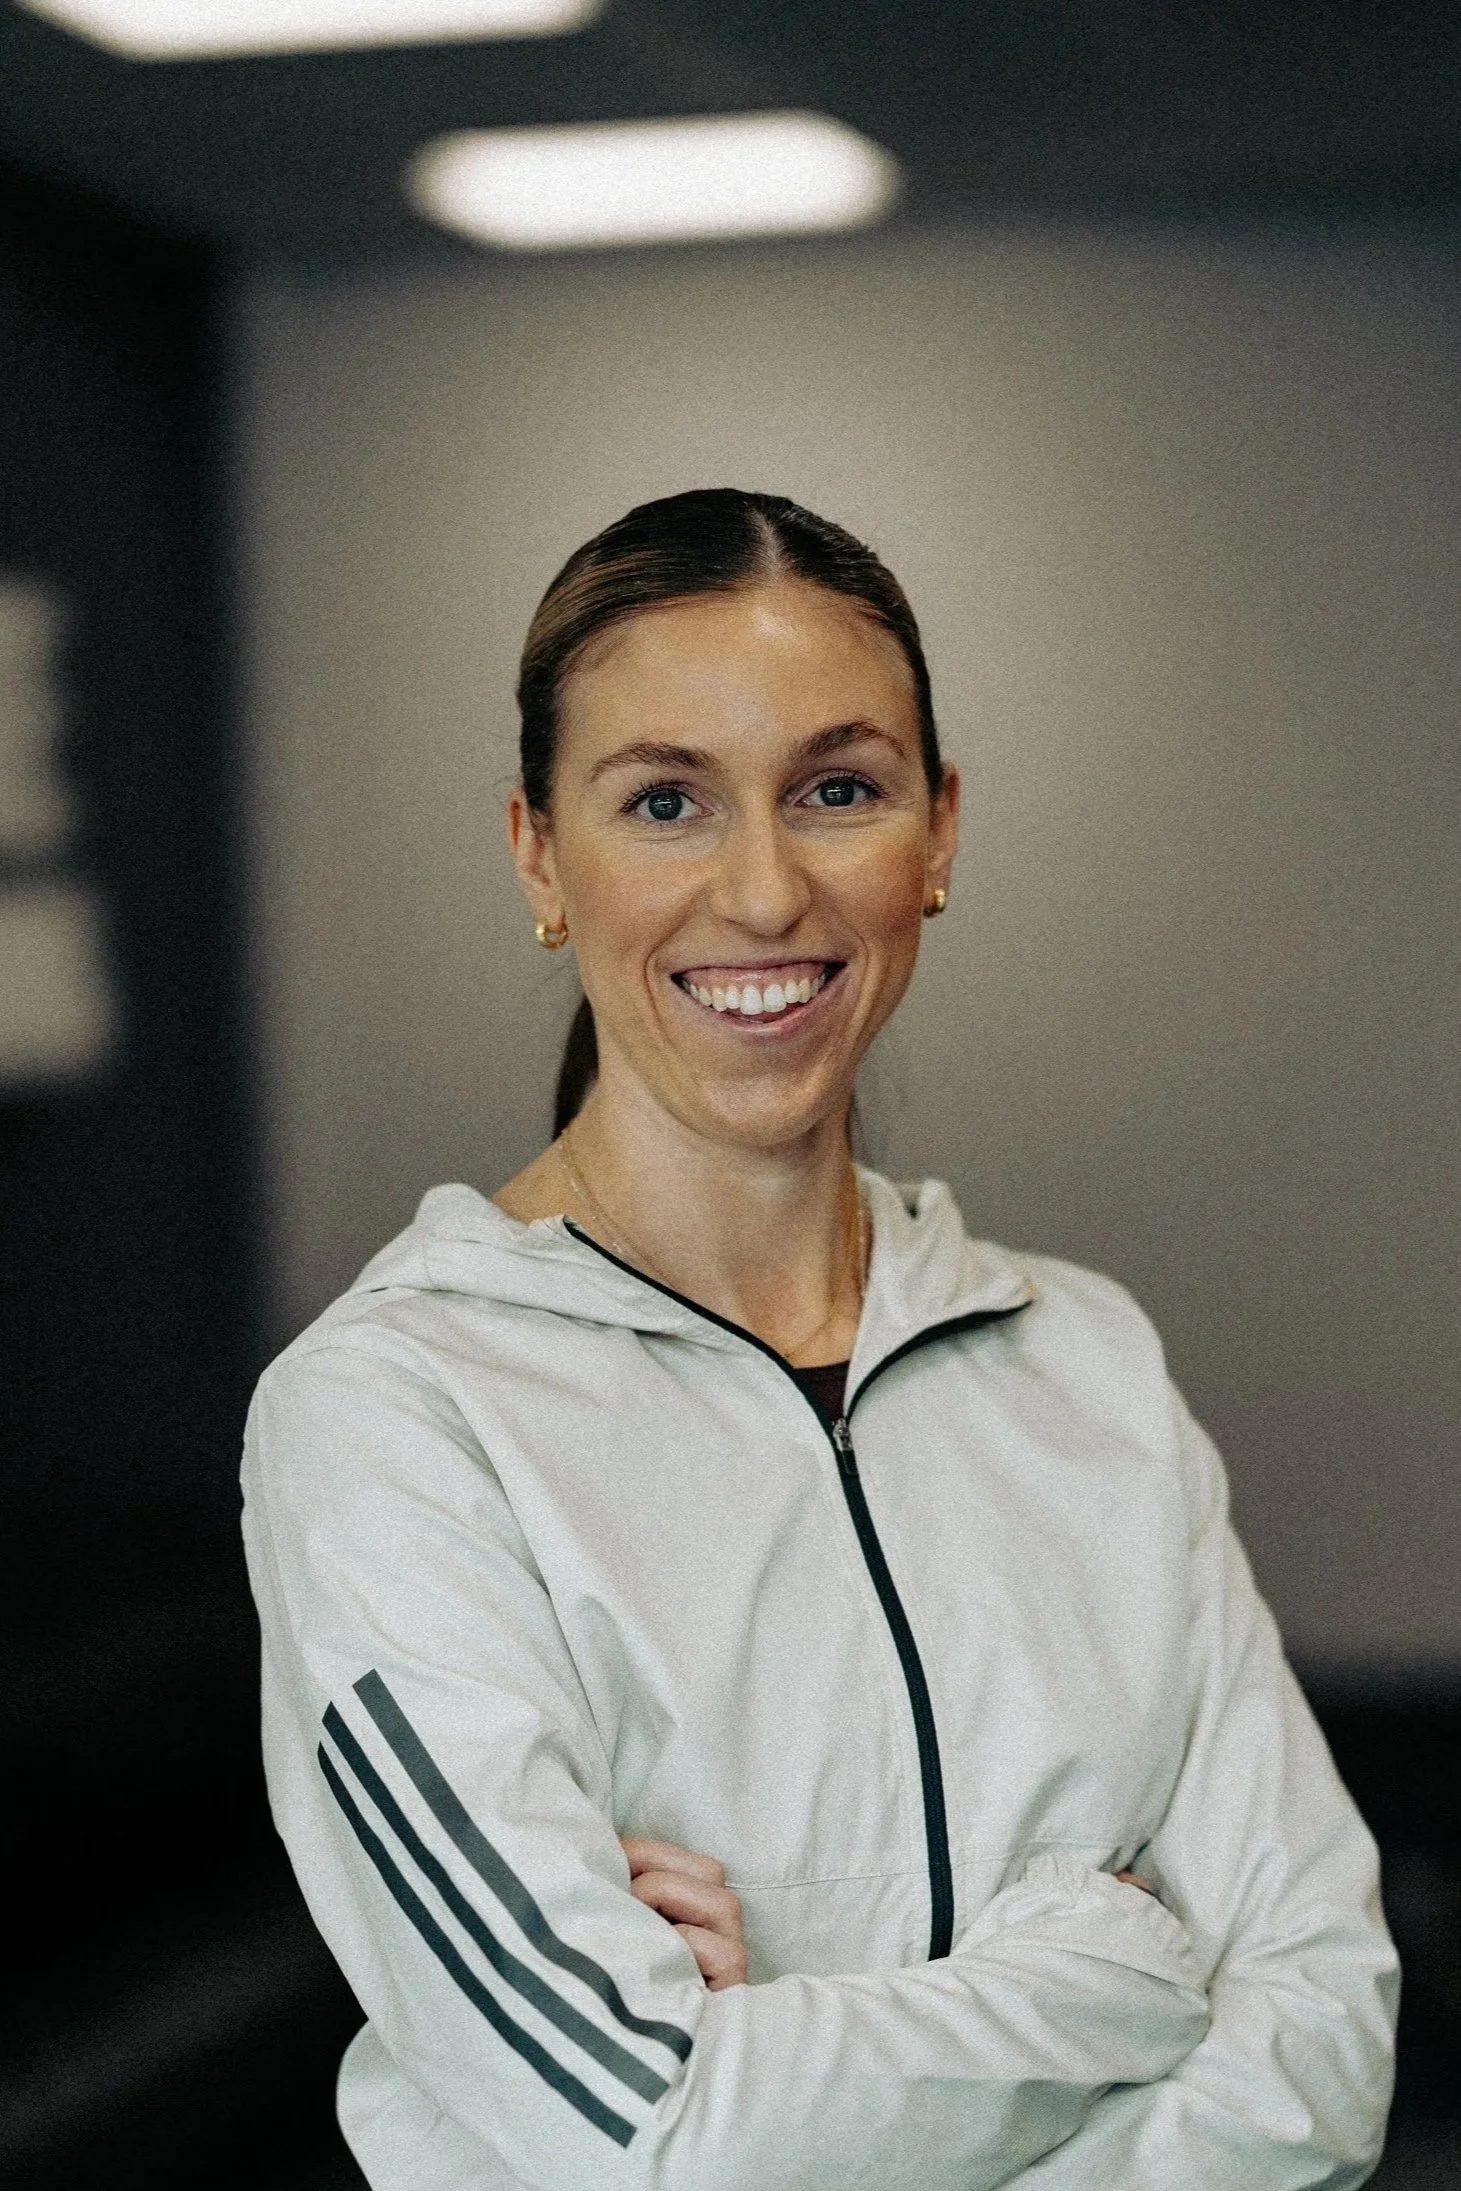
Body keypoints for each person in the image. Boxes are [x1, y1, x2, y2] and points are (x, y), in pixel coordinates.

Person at [242, 488, 1397, 2191]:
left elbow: (1326, 2048)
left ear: (938, 835)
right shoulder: (395, 1418)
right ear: (539, 857)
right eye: (664, 801)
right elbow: (637, 2132)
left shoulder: (1087, 1363)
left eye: (838, 790)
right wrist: (1113, 1965)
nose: (766, 888)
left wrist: (784, 2040)